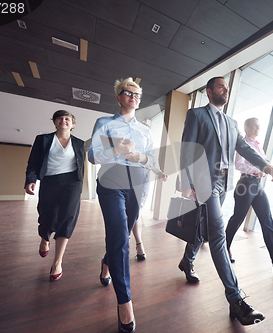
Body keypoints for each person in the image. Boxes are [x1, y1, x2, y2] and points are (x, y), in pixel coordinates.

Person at [178, 77, 273, 326]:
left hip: (224, 183)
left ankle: (187, 260)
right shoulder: (197, 115)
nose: (226, 90)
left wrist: (264, 164)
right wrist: (187, 183)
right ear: (209, 92)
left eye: (228, 87)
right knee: (218, 235)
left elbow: (244, 148)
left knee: (205, 225)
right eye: (221, 86)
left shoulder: (232, 123)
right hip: (204, 182)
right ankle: (236, 300)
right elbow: (187, 149)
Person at [88, 77, 158, 333]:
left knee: (122, 236)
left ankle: (107, 261)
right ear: (118, 97)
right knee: (119, 238)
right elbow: (92, 155)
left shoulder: (145, 130)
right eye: (128, 93)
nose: (133, 97)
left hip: (138, 183)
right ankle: (125, 302)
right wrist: (116, 149)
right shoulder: (104, 123)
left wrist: (141, 156)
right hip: (111, 180)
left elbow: (150, 159)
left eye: (137, 95)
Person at [225, 117, 273, 275]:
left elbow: (262, 162)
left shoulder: (258, 146)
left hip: (257, 186)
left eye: (259, 126)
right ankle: (224, 249)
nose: (258, 129)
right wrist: (257, 170)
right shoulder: (243, 144)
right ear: (246, 127)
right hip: (245, 185)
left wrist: (263, 171)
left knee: (267, 221)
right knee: (237, 219)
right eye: (254, 126)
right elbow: (238, 164)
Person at [24, 110, 85, 282]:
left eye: (68, 119)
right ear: (55, 122)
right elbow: (33, 162)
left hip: (72, 182)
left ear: (73, 124)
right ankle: (44, 237)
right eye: (60, 118)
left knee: (68, 217)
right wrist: (31, 180)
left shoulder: (79, 143)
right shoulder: (43, 140)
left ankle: (57, 262)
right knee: (46, 215)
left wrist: (81, 185)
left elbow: (80, 165)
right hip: (50, 180)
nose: (63, 120)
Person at [131, 165, 168, 261]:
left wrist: (160, 174)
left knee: (137, 211)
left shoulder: (147, 149)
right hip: (122, 179)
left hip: (142, 181)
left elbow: (152, 161)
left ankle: (139, 244)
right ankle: (123, 239)